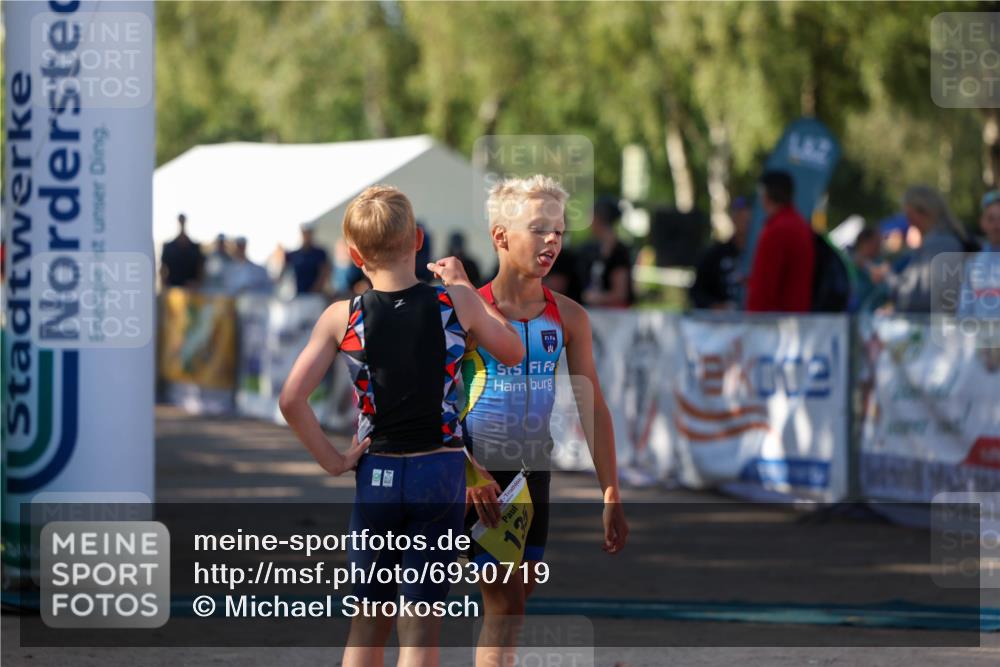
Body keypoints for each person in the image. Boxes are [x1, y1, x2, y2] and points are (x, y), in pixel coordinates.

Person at [279, 185, 523, 667]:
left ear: (353, 254)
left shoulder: (342, 317)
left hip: (378, 475)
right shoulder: (455, 303)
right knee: (420, 627)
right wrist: (468, 288)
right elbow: (512, 350)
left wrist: (333, 461)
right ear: (418, 239)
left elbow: (291, 399)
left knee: (368, 622)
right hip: (440, 473)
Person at [428, 175, 628, 667]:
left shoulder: (570, 317)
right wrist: (469, 469)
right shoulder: (462, 310)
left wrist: (611, 492)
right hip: (472, 469)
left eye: (558, 230)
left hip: (532, 473)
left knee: (516, 598)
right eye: (538, 229)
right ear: (500, 237)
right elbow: (432, 401)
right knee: (504, 605)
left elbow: (593, 405)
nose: (552, 241)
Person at [873, 185, 969, 314]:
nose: (908, 221)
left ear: (923, 213)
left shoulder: (941, 243)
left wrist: (887, 276)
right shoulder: (942, 241)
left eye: (909, 215)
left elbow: (922, 297)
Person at [746, 171, 815, 313]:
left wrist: (753, 318)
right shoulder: (799, 224)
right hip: (795, 318)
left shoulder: (776, 229)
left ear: (766, 194)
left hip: (774, 323)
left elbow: (765, 285)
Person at [689, 196, 751, 310]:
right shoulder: (715, 254)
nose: (743, 222)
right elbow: (697, 291)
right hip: (723, 323)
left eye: (747, 219)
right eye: (739, 216)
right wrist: (715, 306)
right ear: (732, 218)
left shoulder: (758, 253)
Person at [579, 197, 635, 307]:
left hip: (612, 316)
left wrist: (595, 297)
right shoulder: (591, 248)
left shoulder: (619, 251)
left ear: (598, 219)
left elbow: (620, 293)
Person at [958, 190, 1000, 319]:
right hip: (980, 338)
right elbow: (964, 311)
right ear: (983, 223)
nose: (997, 226)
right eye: (991, 219)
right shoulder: (973, 264)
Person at [284, 221, 332, 295]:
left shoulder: (320, 253)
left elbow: (324, 273)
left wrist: (315, 290)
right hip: (297, 296)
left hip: (315, 295)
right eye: (304, 232)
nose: (306, 235)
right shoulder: (292, 254)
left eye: (309, 232)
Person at [848, 226, 889, 313]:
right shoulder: (850, 261)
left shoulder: (879, 261)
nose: (880, 247)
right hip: (853, 315)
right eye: (877, 243)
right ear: (864, 243)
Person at [160, 213, 205, 288]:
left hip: (191, 290)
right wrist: (164, 285)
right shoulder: (169, 246)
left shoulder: (195, 247)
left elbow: (200, 268)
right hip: (173, 289)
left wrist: (197, 283)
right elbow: (163, 268)